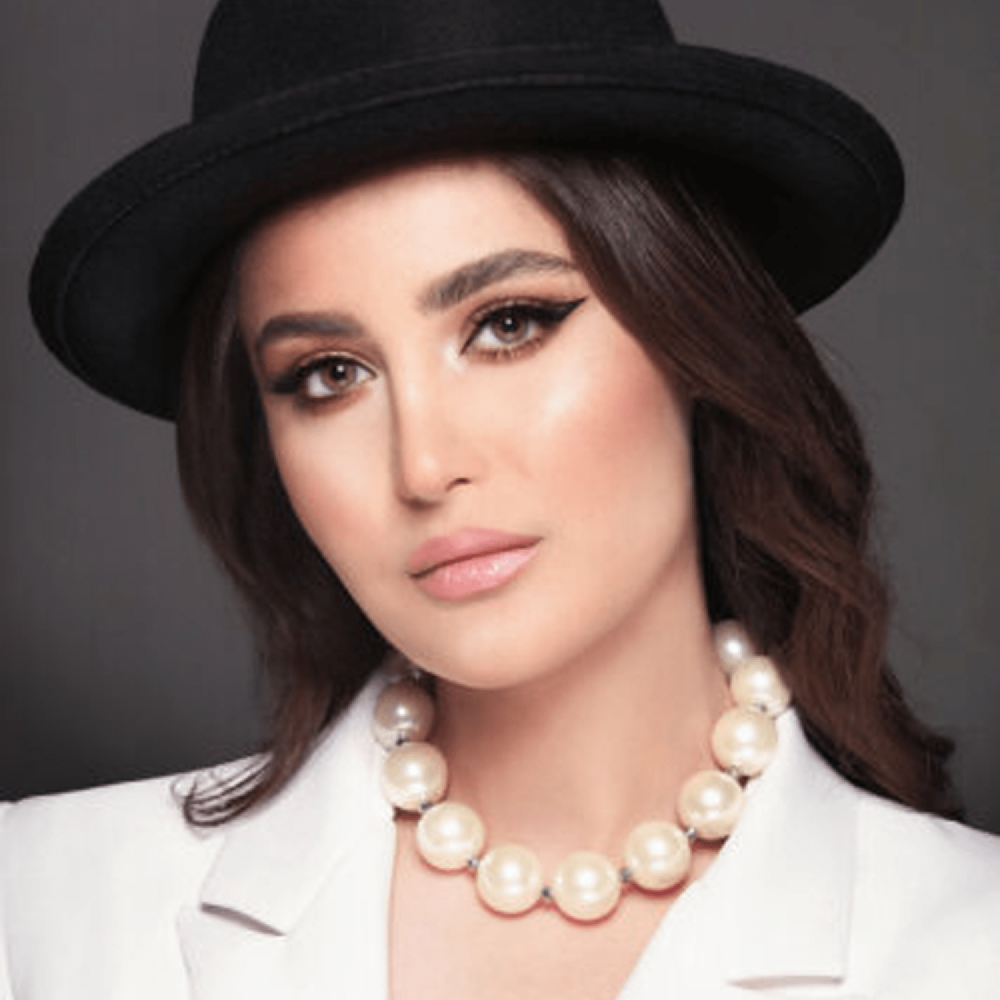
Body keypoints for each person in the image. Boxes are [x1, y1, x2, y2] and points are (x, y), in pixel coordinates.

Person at [4, 0, 999, 997]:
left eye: (510, 324)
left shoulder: (965, 947)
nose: (424, 465)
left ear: (696, 332)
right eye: (330, 375)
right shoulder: (43, 906)